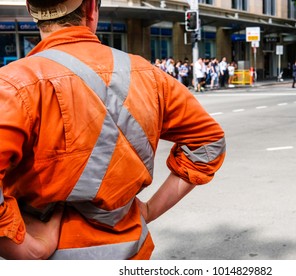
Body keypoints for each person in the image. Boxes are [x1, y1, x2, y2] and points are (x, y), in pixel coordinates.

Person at [0, 0, 226, 260]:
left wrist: (23, 247)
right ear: (92, 8)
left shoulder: (13, 84)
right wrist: (150, 210)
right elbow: (209, 143)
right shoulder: (149, 75)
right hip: (132, 253)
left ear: (31, 10)